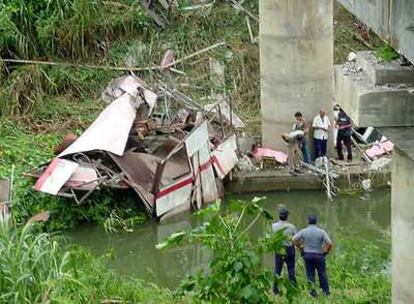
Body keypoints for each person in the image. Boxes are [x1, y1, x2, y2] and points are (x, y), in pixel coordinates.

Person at [292, 215, 332, 297]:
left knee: (310, 274)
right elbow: (329, 243)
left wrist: (300, 246)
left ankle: (313, 293)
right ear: (316, 221)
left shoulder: (304, 231)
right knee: (322, 273)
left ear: (308, 221)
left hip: (308, 255)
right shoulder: (321, 232)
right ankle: (326, 291)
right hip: (319, 255)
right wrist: (326, 251)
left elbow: (293, 240)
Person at [272, 207, 297, 294]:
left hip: (279, 249)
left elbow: (272, 238)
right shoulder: (292, 227)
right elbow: (295, 239)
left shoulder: (274, 226)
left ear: (279, 216)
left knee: (277, 270)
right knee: (291, 269)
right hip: (289, 249)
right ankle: (293, 288)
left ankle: (275, 290)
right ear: (287, 217)